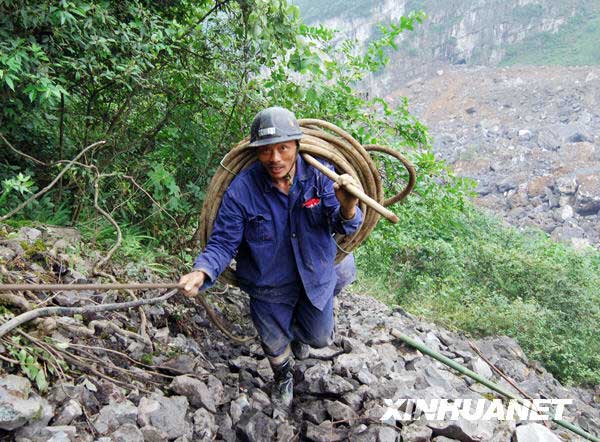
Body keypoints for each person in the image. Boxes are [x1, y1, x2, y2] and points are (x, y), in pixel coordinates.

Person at [179, 106, 362, 410]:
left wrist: (348, 207)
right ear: (256, 152)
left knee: (318, 339)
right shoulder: (242, 190)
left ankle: (301, 332)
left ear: (297, 146)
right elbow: (223, 242)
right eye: (265, 150)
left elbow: (343, 224)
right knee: (275, 343)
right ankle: (283, 376)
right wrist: (202, 271)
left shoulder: (320, 174)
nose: (275, 158)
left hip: (313, 274)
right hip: (267, 283)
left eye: (283, 148)